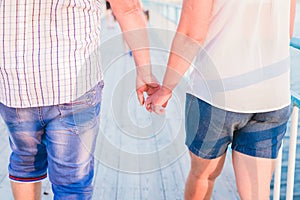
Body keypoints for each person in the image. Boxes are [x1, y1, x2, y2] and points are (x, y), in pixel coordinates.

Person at [0, 0, 158, 199]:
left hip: (15, 83)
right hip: (73, 81)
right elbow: (128, 8)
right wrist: (144, 70)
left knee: (24, 164)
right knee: (72, 184)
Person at [145, 0, 297, 199]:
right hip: (271, 94)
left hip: (216, 94)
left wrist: (166, 89)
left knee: (203, 177)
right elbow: (287, 31)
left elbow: (191, 33)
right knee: (256, 194)